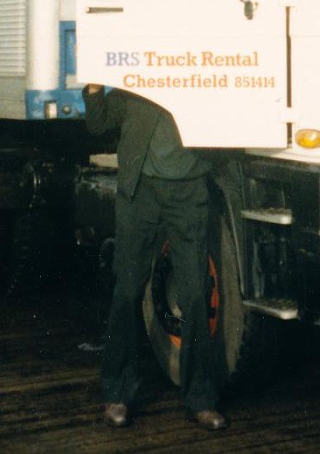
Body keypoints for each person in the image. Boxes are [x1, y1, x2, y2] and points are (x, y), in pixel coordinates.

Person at [83, 84, 227, 432]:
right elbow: (98, 125)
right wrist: (92, 90)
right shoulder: (133, 80)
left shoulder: (204, 75)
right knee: (128, 290)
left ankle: (201, 400)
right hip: (139, 192)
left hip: (187, 190)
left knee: (194, 295)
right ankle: (117, 394)